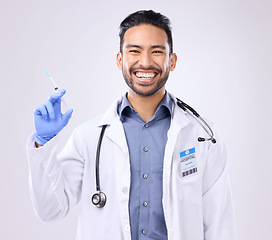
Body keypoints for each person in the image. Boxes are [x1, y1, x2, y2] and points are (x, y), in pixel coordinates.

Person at [26, 10, 236, 240]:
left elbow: (220, 225)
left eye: (157, 51)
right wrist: (42, 142)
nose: (145, 62)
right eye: (134, 51)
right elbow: (51, 209)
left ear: (172, 61)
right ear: (120, 60)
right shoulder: (88, 137)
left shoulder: (202, 136)